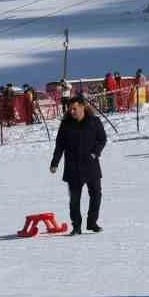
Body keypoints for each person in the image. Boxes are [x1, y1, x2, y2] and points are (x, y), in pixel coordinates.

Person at [49, 95, 106, 235]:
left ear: (82, 106)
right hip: (73, 167)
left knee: (96, 195)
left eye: (74, 109)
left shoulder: (94, 121)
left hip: (91, 165)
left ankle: (92, 223)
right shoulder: (66, 124)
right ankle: (76, 226)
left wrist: (95, 153)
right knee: (74, 199)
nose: (72, 112)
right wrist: (55, 162)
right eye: (70, 109)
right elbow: (60, 145)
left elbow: (102, 139)